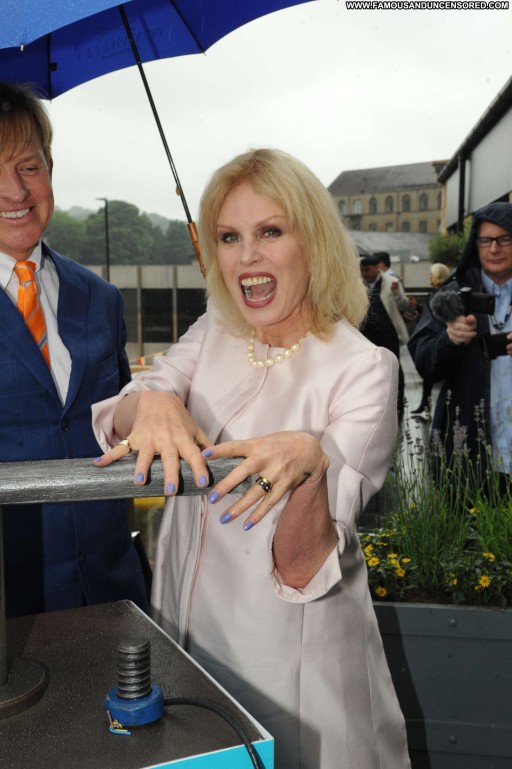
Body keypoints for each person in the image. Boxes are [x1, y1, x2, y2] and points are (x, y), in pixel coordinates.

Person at [92, 149, 410, 769]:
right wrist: (152, 402)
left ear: (313, 242)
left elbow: (304, 571)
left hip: (294, 674)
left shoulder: (364, 370)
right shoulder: (215, 328)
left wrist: (311, 470)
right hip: (183, 647)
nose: (246, 257)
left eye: (270, 232)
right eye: (229, 237)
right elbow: (123, 411)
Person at [0, 80, 148, 617]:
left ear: (51, 169)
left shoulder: (101, 297)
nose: (15, 192)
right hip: (10, 612)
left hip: (112, 593)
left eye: (29, 167)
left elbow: (121, 424)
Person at [408, 201, 512, 479]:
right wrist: (449, 339)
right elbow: (424, 360)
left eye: (505, 239)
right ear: (475, 245)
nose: (494, 248)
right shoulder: (450, 296)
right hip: (469, 456)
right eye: (486, 240)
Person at [359, 252, 412, 414]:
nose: (364, 273)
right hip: (367, 335)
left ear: (377, 268)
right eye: (362, 270)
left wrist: (396, 293)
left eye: (367, 270)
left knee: (393, 366)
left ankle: (398, 401)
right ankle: (374, 403)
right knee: (369, 369)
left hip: (389, 333)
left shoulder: (391, 282)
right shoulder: (358, 284)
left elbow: (406, 306)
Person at [410, 262, 451, 419]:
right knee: (428, 374)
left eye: (431, 274)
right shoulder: (436, 292)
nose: (429, 277)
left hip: (439, 339)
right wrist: (418, 309)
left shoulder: (443, 293)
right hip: (434, 338)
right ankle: (425, 404)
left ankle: (430, 406)